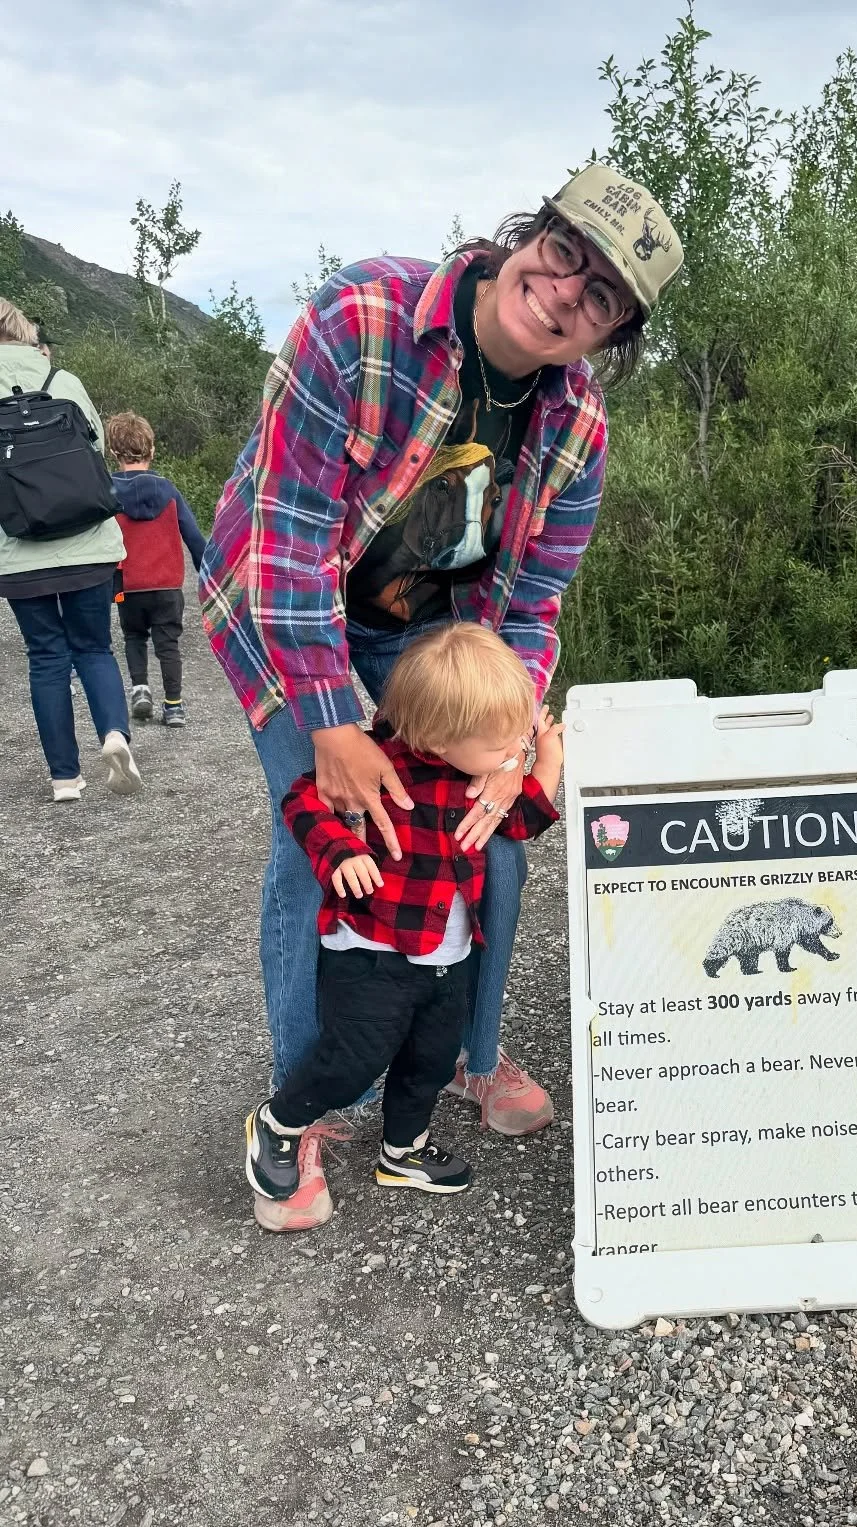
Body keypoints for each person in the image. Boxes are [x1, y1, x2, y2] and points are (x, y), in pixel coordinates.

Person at [201, 163, 682, 1230]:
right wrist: (332, 722)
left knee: (492, 833)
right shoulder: (362, 318)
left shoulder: (578, 428)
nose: (565, 293)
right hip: (289, 606)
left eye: (600, 297)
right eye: (565, 255)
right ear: (531, 233)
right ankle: (308, 1102)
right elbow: (283, 544)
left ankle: (465, 1049)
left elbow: (532, 598)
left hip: (435, 633)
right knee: (325, 830)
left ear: (609, 334)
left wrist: (513, 739)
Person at [244, 624, 564, 1228]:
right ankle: (280, 1121)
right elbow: (301, 803)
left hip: (447, 953)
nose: (509, 756)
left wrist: (544, 757)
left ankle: (403, 1151)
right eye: (501, 742)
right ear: (440, 735)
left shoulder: (477, 772)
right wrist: (341, 850)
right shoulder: (376, 768)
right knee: (355, 1055)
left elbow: (523, 819)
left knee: (433, 1058)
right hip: (373, 953)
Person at [0, 298, 142, 802]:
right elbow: (98, 446)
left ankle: (64, 778)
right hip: (88, 544)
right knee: (95, 648)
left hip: (18, 553)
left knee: (46, 659)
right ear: (25, 332)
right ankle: (114, 735)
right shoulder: (62, 381)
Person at [106, 412, 206, 727]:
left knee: (133, 636)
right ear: (152, 451)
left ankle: (140, 691)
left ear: (113, 452)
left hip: (126, 587)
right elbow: (194, 537)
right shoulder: (169, 491)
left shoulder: (106, 493)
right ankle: (174, 707)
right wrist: (208, 575)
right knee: (168, 644)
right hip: (167, 588)